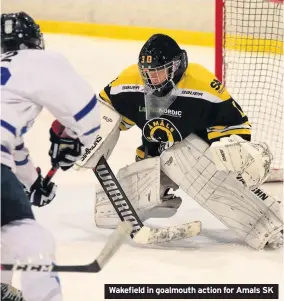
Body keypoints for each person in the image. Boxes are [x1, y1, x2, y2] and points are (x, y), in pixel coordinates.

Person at [74, 33, 282, 250]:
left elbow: (234, 124)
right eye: (147, 73)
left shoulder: (202, 84)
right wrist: (86, 136)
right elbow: (104, 109)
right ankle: (158, 190)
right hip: (153, 160)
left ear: (177, 66)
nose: (152, 80)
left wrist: (230, 150)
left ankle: (267, 222)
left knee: (182, 155)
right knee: (107, 212)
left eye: (158, 72)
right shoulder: (129, 81)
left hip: (196, 156)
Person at [1, 12, 100, 300]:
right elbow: (87, 118)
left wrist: (32, 182)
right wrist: (69, 139)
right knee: (33, 241)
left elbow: (12, 147)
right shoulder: (37, 60)